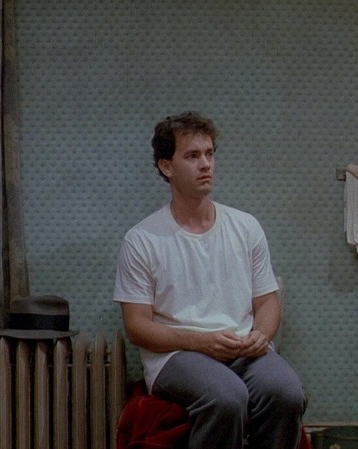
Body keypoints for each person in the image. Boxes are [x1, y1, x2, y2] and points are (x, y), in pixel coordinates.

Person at [113, 111, 306, 449]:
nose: (205, 164)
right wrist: (200, 342)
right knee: (227, 398)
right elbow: (137, 327)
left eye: (209, 154)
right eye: (192, 156)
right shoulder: (142, 239)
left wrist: (261, 335)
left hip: (241, 348)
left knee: (287, 392)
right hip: (176, 355)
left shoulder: (245, 227)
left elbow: (267, 301)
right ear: (166, 166)